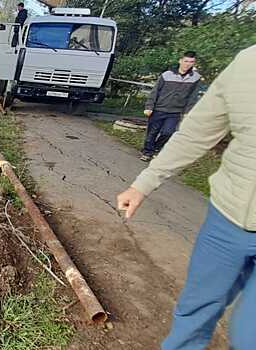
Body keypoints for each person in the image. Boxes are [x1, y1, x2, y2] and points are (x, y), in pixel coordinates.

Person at [117, 45, 256, 350]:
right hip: (227, 220)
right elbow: (196, 132)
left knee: (249, 336)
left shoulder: (195, 78)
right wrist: (143, 184)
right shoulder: (247, 62)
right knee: (195, 309)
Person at [140, 51, 202, 161]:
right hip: (158, 109)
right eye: (186, 61)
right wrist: (149, 106)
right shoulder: (167, 75)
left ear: (194, 63)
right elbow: (155, 91)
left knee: (168, 132)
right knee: (152, 132)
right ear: (180, 61)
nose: (188, 64)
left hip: (175, 111)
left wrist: (188, 111)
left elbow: (192, 97)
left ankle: (155, 148)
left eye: (191, 62)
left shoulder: (195, 78)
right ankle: (147, 152)